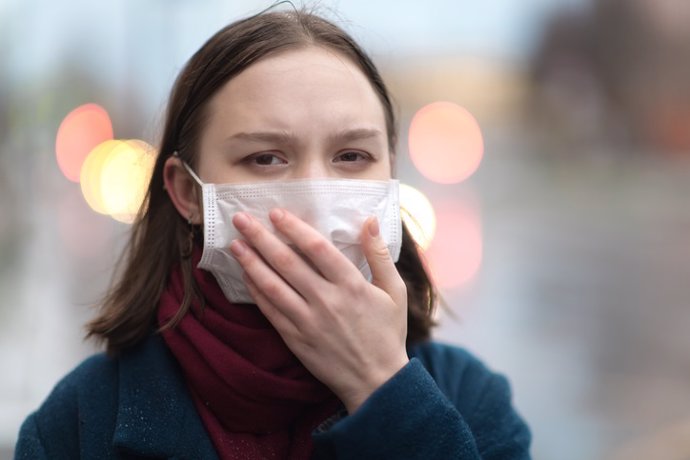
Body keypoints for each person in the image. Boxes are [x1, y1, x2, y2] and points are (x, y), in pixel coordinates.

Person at [15, 7, 531, 460]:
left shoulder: (471, 398)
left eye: (352, 156)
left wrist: (383, 389)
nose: (313, 200)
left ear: (390, 175)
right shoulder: (79, 422)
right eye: (265, 158)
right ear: (187, 192)